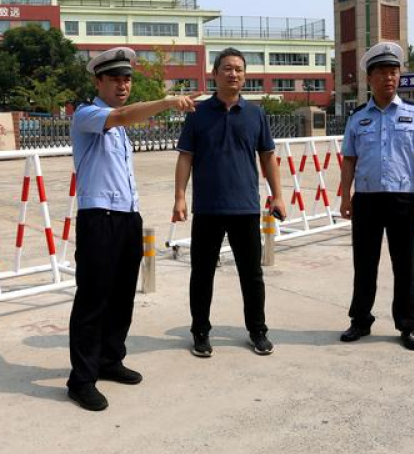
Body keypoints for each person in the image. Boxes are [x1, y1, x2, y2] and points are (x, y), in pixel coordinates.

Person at [68, 47, 198, 411]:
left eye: (127, 79)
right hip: (99, 219)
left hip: (127, 218)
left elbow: (123, 120)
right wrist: (170, 100)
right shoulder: (88, 115)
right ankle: (81, 379)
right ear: (99, 82)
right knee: (93, 300)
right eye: (115, 79)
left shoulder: (119, 129)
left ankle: (110, 359)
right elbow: (122, 115)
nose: (123, 85)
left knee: (122, 295)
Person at [173, 47, 286, 358]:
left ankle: (258, 330)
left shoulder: (255, 114)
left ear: (244, 75)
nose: (233, 73)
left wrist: (277, 195)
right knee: (202, 273)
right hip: (208, 208)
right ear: (215, 74)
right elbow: (186, 157)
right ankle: (200, 331)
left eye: (238, 69)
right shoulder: (198, 114)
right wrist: (180, 197)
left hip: (245, 208)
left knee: (252, 274)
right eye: (227, 68)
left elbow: (267, 157)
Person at [339, 42, 414, 351]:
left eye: (393, 72)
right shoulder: (357, 117)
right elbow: (349, 160)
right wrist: (345, 197)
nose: (389, 78)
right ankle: (360, 320)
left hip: (403, 200)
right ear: (370, 79)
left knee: (405, 265)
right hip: (366, 200)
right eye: (382, 73)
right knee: (364, 264)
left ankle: (408, 325)